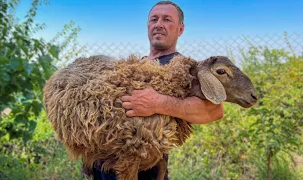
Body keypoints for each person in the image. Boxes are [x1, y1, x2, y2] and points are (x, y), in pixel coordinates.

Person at [83, 1, 223, 179]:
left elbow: (214, 110)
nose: (159, 24)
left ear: (180, 29)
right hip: (105, 166)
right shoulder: (134, 64)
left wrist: (157, 103)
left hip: (143, 168)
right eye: (154, 19)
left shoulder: (185, 69)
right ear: (148, 26)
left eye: (167, 20)